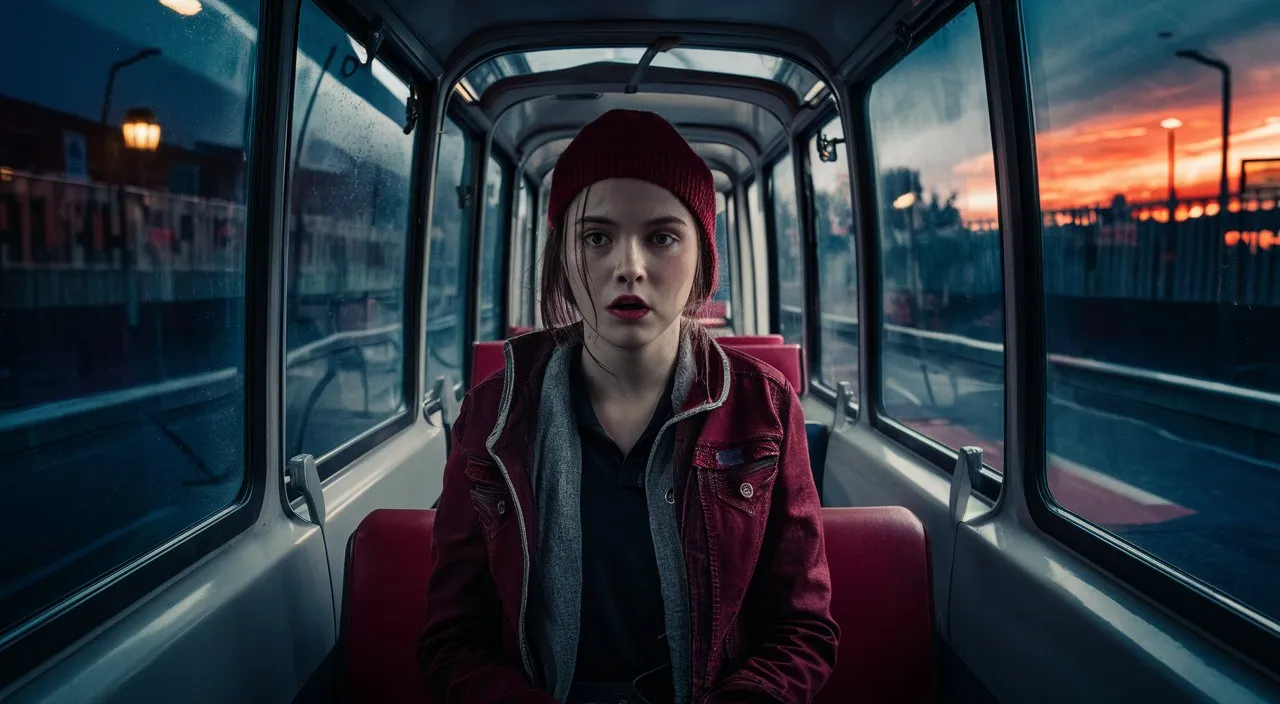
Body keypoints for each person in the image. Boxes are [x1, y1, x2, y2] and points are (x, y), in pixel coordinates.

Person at [418, 109, 838, 704]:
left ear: (701, 262)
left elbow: (803, 629)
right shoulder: (491, 416)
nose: (629, 267)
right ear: (563, 256)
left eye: (662, 236)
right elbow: (451, 639)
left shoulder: (766, 408)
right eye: (596, 237)